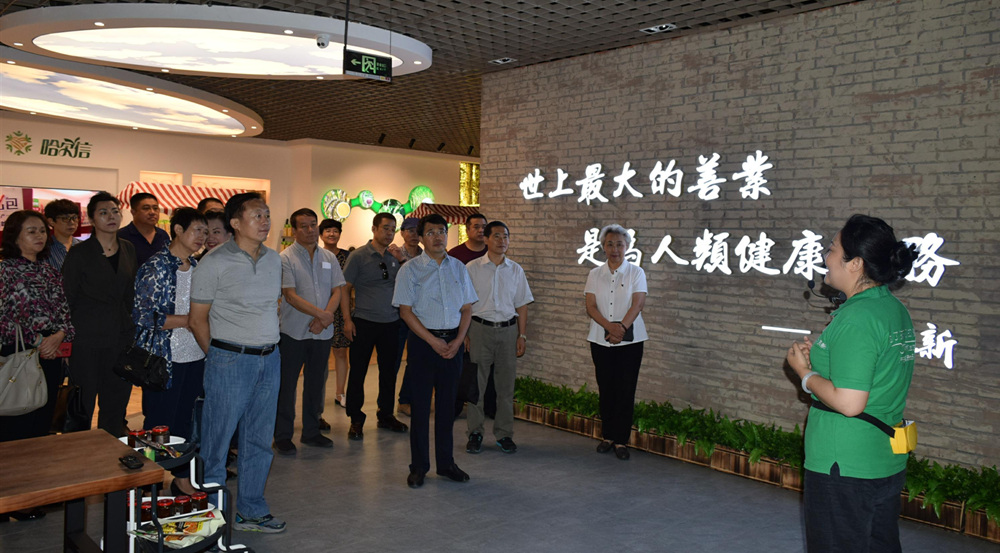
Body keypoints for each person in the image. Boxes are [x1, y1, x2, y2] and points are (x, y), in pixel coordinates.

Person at [785, 214, 917, 553]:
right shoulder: (891, 309)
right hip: (881, 459)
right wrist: (821, 362)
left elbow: (849, 402)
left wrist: (805, 374)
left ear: (855, 263)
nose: (826, 257)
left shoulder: (857, 318)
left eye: (832, 249)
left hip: (844, 465)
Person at [189, 192, 285, 533]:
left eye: (267, 215)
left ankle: (251, 511)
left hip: (269, 360)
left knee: (259, 441)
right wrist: (219, 356)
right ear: (235, 223)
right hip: (229, 360)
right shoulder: (213, 262)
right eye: (257, 215)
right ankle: (210, 521)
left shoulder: (274, 260)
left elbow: (271, 306)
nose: (265, 221)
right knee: (216, 445)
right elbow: (197, 319)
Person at [392, 214, 478, 488]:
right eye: (431, 232)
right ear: (421, 237)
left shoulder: (459, 268)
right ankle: (419, 467)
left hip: (453, 344)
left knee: (446, 407)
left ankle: (446, 463)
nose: (438, 237)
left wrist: (458, 340)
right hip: (423, 344)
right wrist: (432, 341)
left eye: (442, 231)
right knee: (419, 408)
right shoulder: (410, 270)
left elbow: (467, 308)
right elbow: (406, 312)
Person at [0, 210, 74, 522]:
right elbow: (4, 319)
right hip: (17, 356)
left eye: (42, 230)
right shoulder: (4, 271)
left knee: (39, 430)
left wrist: (58, 336)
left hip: (50, 356)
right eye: (31, 231)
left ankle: (28, 496)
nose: (40, 236)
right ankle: (7, 499)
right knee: (12, 431)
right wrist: (38, 340)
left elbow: (65, 314)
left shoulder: (49, 271)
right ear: (14, 235)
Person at [132, 207, 208, 495]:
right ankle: (147, 481)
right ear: (178, 230)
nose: (202, 237)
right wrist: (190, 320)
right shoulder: (156, 266)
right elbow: (143, 316)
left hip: (195, 354)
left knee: (185, 420)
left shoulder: (198, 267)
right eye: (197, 230)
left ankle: (181, 477)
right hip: (164, 357)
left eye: (205, 232)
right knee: (158, 422)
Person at [62, 191, 138, 437]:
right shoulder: (79, 253)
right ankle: (78, 452)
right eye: (103, 213)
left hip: (120, 337)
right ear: (92, 219)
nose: (111, 217)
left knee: (116, 401)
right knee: (82, 401)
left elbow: (130, 295)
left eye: (115, 211)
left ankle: (110, 449)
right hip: (86, 339)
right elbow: (67, 297)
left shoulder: (128, 248)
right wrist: (66, 341)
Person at [273, 209, 344, 455]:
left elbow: (337, 290)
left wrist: (324, 319)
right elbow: (290, 295)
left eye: (313, 224)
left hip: (321, 334)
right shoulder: (285, 258)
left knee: (316, 384)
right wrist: (322, 316)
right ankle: (282, 435)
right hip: (292, 333)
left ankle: (312, 431)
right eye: (304, 226)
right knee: (287, 385)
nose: (310, 230)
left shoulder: (329, 257)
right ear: (294, 230)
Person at [465, 221, 533, 454]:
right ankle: (475, 432)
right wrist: (465, 334)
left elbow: (522, 304)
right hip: (479, 329)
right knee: (477, 385)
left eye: (505, 236)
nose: (502, 241)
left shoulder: (515, 270)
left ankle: (504, 434)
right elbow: (464, 305)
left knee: (505, 387)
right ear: (485, 239)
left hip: (508, 331)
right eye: (496, 236)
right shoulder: (472, 268)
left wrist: (522, 335)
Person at [340, 213, 409, 441]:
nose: (389, 233)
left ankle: (386, 414)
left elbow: (406, 284)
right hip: (364, 322)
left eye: (393, 229)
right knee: (358, 371)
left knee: (389, 371)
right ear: (374, 229)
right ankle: (356, 418)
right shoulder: (358, 256)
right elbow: (344, 288)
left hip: (391, 323)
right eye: (385, 228)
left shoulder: (393, 257)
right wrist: (347, 320)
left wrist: (401, 260)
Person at [585, 224, 648, 461]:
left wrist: (620, 328)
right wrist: (609, 327)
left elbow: (638, 304)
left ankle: (621, 440)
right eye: (610, 244)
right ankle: (608, 436)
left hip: (631, 342)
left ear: (627, 246)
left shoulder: (636, 273)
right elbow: (591, 306)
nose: (615, 249)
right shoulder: (594, 274)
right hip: (600, 340)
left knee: (625, 389)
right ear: (603, 247)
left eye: (619, 244)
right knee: (606, 388)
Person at [388, 217, 422, 416]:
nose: (414, 235)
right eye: (410, 230)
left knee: (415, 361)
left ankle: (405, 401)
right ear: (402, 233)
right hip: (397, 316)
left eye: (417, 231)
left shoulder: (425, 256)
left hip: (419, 316)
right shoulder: (392, 253)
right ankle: (385, 406)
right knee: (392, 362)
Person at [320, 218, 350, 411]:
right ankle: (318, 394)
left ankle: (340, 393)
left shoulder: (348, 257)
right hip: (319, 309)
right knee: (320, 355)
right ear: (321, 234)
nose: (332, 234)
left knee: (341, 352)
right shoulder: (316, 255)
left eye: (335, 231)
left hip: (342, 309)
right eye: (328, 231)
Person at [118, 192, 170, 267]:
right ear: (133, 212)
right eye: (146, 208)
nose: (152, 212)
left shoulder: (163, 235)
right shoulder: (121, 236)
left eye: (155, 208)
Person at [43, 199, 81, 271]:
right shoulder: (44, 249)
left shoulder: (84, 246)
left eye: (74, 218)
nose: (72, 222)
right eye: (65, 218)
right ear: (51, 221)